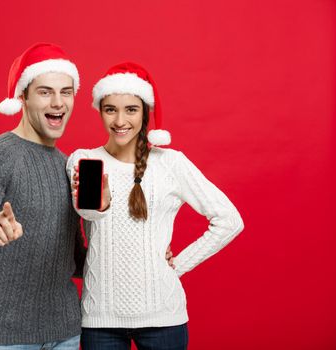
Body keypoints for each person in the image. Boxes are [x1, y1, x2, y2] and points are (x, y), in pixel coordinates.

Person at [67, 62, 245, 350]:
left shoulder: (170, 163)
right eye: (110, 109)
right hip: (100, 320)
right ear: (100, 110)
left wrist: (177, 266)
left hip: (164, 318)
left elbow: (229, 220)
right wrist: (101, 205)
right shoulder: (85, 160)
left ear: (145, 113)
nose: (120, 120)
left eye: (131, 110)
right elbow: (86, 212)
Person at [0, 42, 86, 349]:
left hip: (64, 332)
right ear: (23, 96)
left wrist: (137, 248)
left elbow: (74, 261)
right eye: (45, 91)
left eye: (66, 91)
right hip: (4, 337)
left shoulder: (69, 165)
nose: (58, 102)